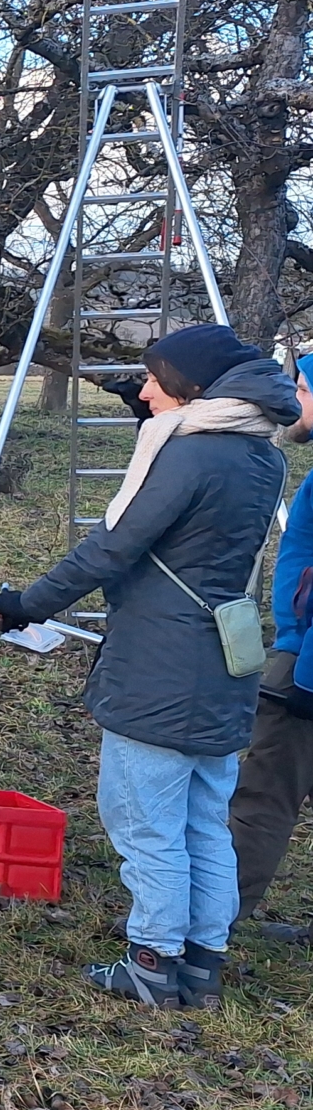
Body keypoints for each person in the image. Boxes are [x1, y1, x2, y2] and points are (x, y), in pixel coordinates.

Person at [0, 324, 296, 1010]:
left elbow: (112, 549)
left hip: (161, 665)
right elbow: (188, 524)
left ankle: (152, 958)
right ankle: (201, 961)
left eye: (155, 379)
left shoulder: (191, 455)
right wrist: (155, 426)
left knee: (145, 821)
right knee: (204, 821)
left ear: (192, 391)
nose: (144, 389)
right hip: (222, 663)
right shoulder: (258, 453)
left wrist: (25, 605)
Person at [227, 354, 313, 938]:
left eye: (304, 386)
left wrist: (305, 673)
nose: (296, 396)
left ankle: (206, 923)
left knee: (264, 793)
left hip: (305, 661)